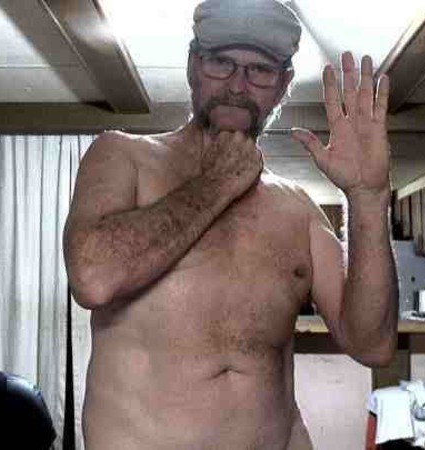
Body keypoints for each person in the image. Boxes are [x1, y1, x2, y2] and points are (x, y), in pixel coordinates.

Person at [63, 0, 399, 448]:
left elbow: (373, 344)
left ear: (283, 85)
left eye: (260, 70)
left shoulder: (297, 210)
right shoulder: (123, 156)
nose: (238, 85)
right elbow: (93, 277)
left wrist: (368, 197)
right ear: (193, 65)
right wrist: (216, 184)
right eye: (221, 62)